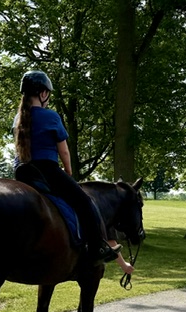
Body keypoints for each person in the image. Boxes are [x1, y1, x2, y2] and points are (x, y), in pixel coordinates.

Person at [13, 70, 120, 265]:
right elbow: (64, 151)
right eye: (48, 94)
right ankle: (97, 248)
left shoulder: (18, 118)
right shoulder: (51, 116)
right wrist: (68, 172)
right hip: (47, 171)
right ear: (43, 93)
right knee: (85, 202)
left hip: (23, 171)